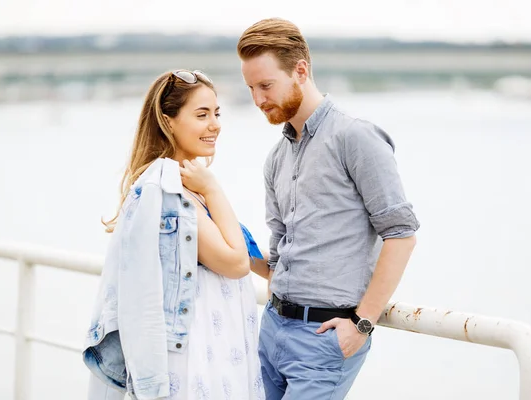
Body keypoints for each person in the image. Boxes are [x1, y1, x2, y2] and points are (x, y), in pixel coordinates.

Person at [237, 18, 421, 399]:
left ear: (300, 71)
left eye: (266, 85)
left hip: (323, 341)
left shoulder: (356, 137)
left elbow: (401, 235)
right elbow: (279, 256)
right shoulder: (276, 157)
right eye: (251, 88)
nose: (257, 100)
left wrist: (362, 323)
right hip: (271, 327)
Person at [82, 69, 267, 400]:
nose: (215, 124)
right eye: (201, 114)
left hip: (211, 352)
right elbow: (236, 263)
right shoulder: (171, 192)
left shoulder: (183, 186)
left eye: (216, 113)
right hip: (192, 362)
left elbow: (247, 251)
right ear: (168, 121)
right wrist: (213, 189)